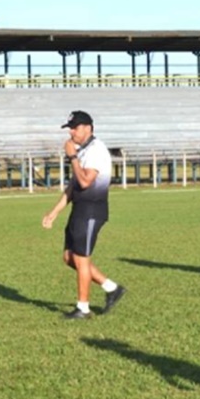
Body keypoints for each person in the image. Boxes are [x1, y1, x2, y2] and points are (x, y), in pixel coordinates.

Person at [42, 111, 126, 319]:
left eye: (75, 128)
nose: (71, 132)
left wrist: (72, 157)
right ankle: (112, 288)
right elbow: (74, 186)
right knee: (69, 257)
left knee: (81, 259)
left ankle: (83, 308)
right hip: (79, 209)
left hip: (91, 210)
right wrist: (54, 212)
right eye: (70, 128)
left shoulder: (96, 150)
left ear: (88, 128)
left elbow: (86, 181)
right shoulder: (84, 150)